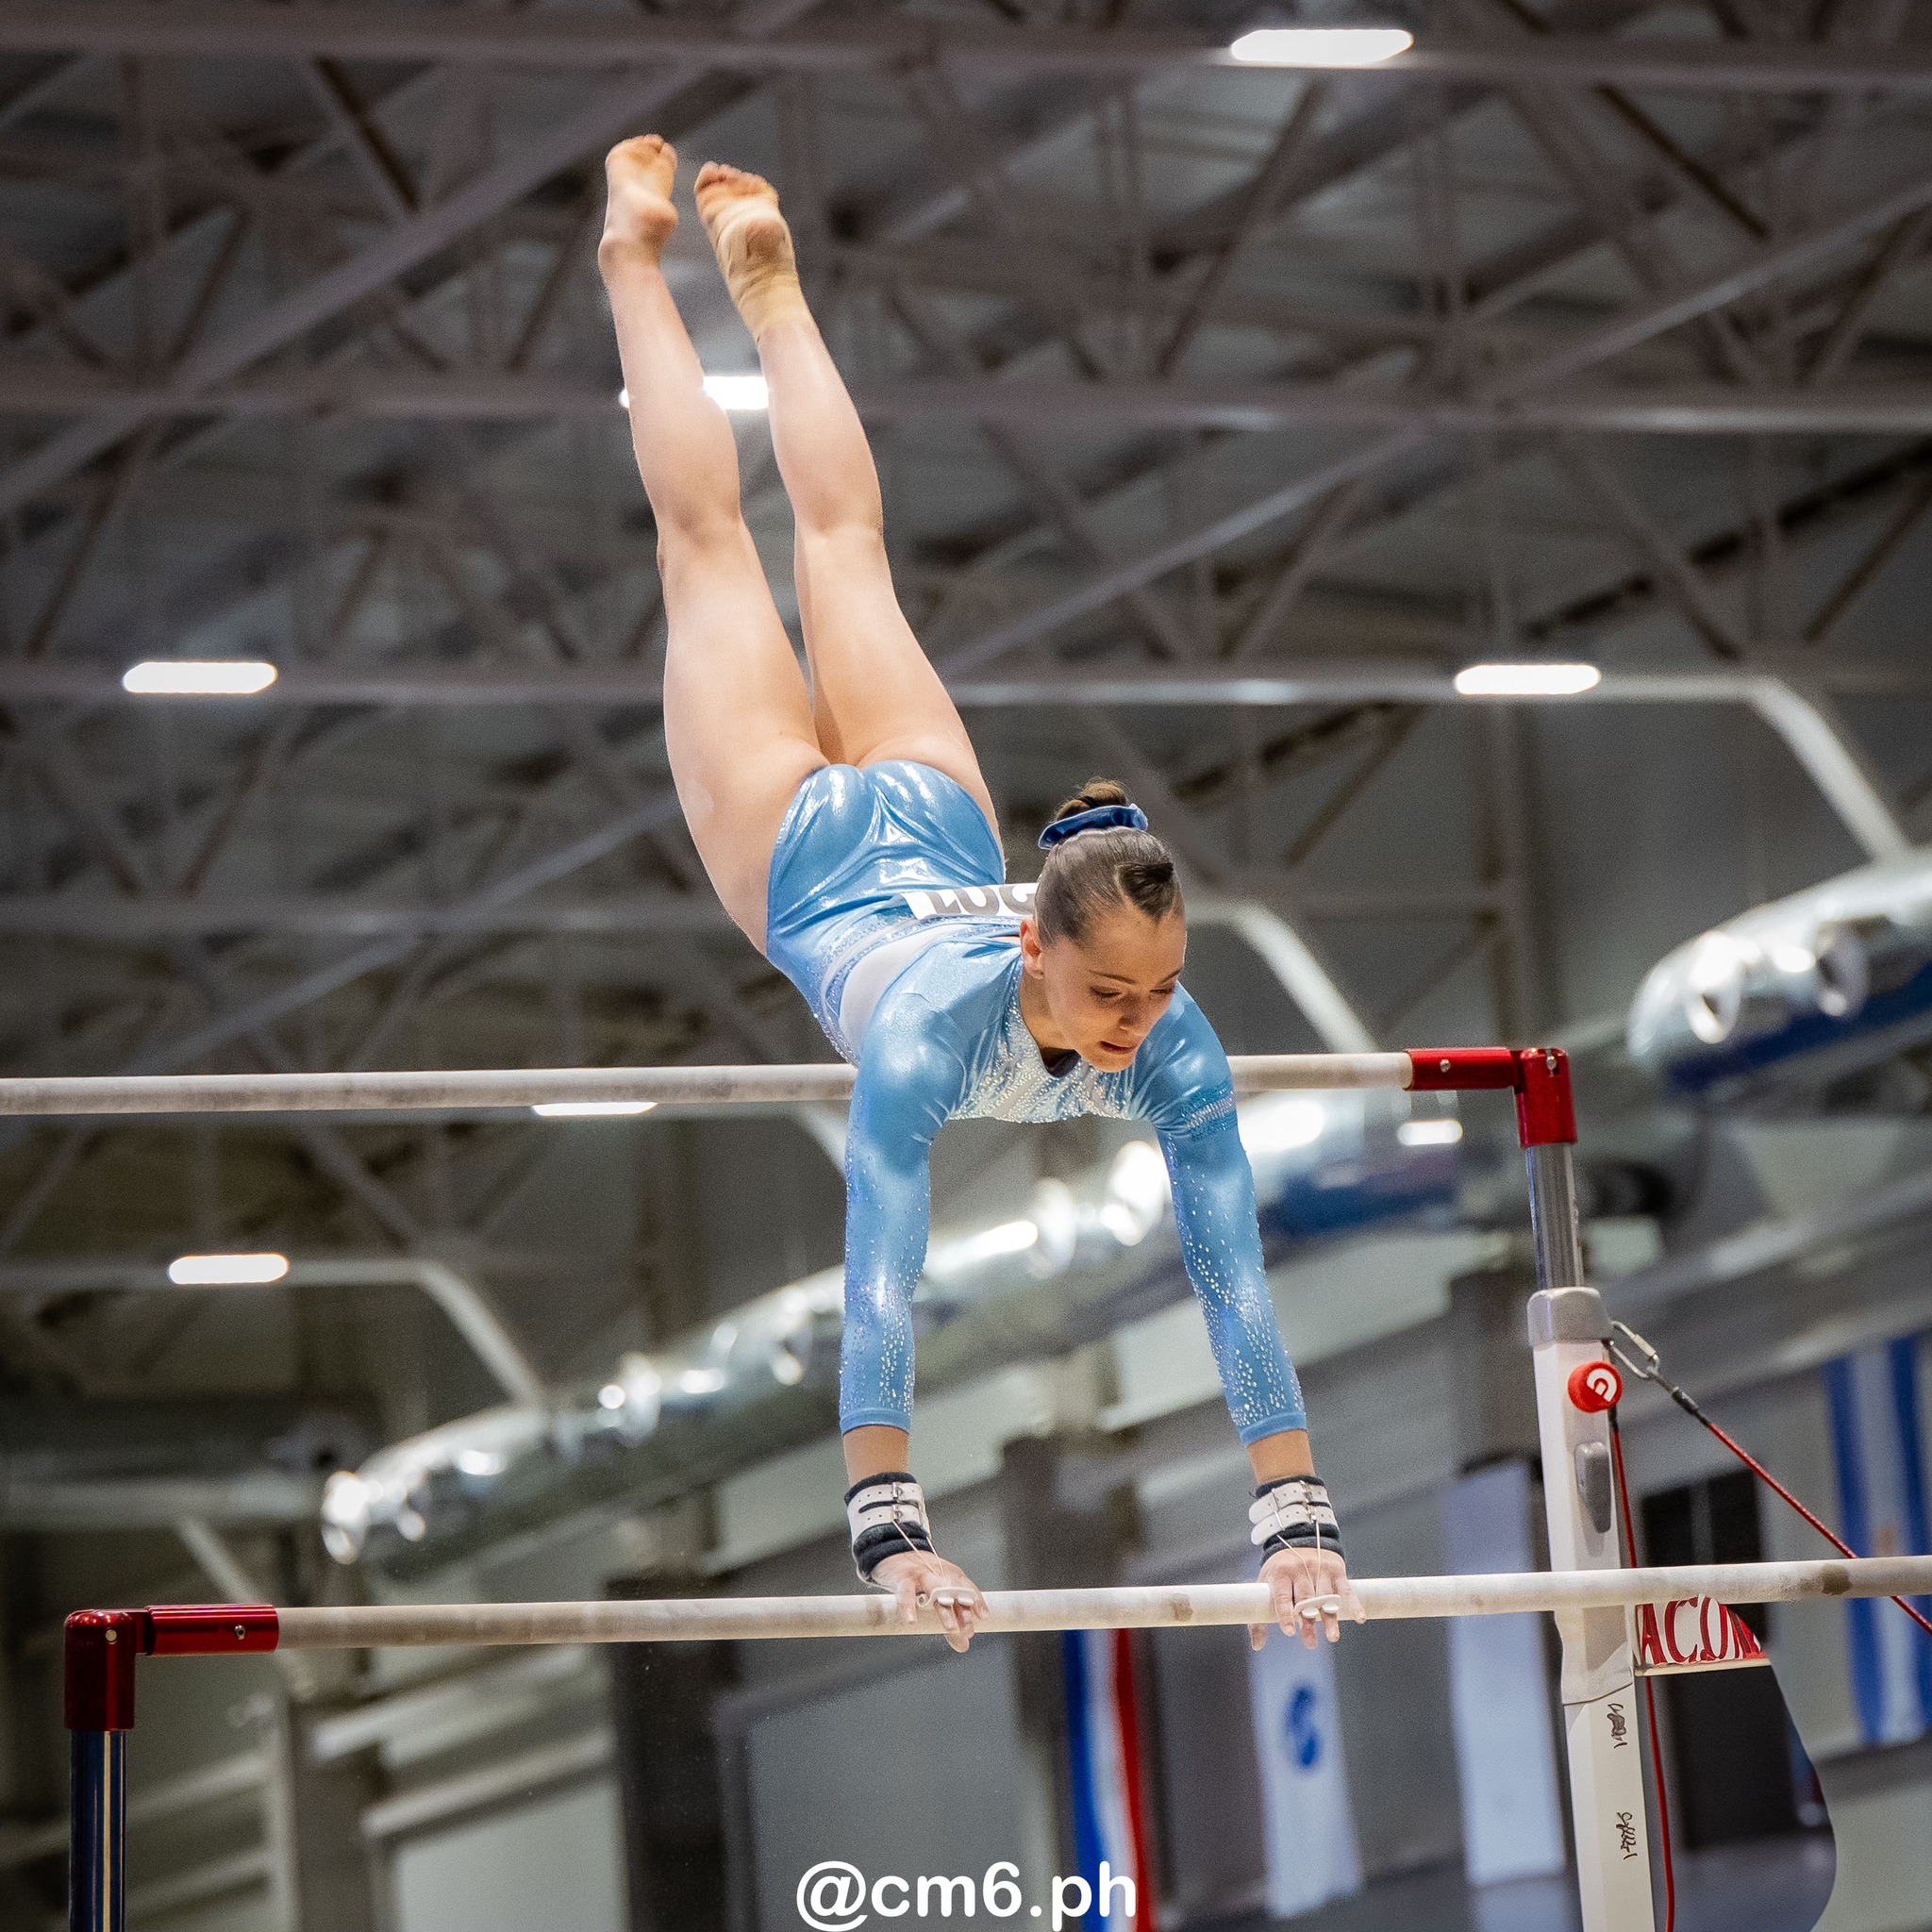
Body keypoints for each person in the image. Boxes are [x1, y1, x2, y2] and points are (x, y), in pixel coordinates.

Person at [599, 135, 1362, 1655]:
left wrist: (1298, 1515)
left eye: (1160, 990)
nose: (1145, 1026)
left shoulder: (1176, 1038)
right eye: (1111, 996)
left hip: (935, 823)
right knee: (712, 547)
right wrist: (889, 1526)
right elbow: (881, 1276)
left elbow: (1232, 1273)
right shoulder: (925, 1046)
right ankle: (636, 262)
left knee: (844, 543)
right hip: (805, 846)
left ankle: (773, 297)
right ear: (1032, 943)